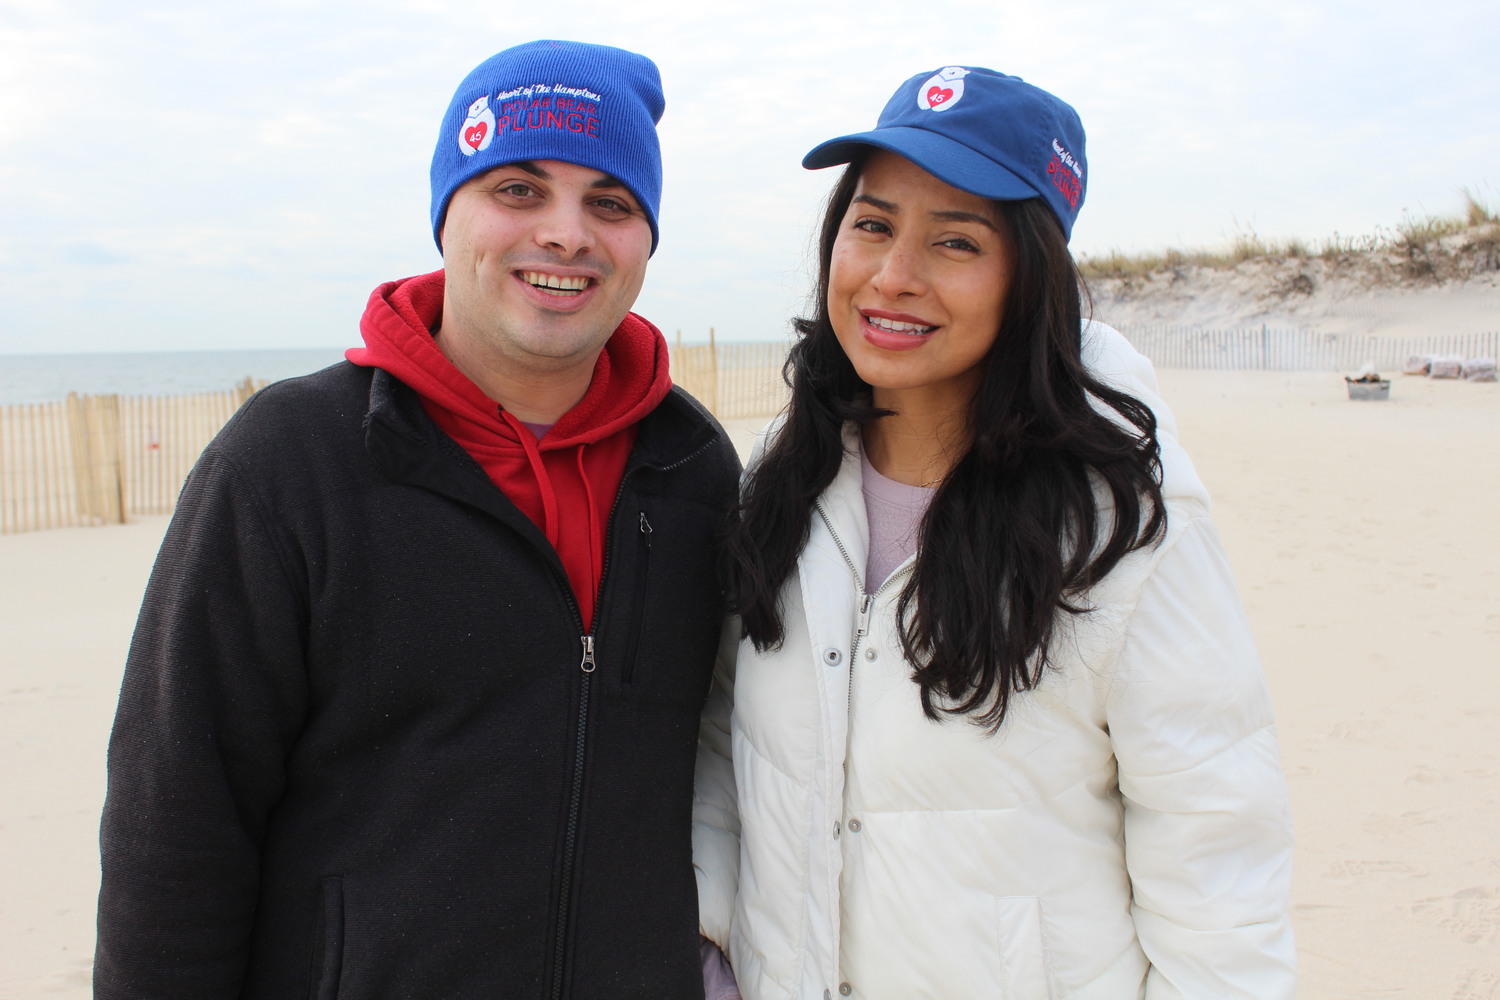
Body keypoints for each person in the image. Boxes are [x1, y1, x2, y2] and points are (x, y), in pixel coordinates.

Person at [95, 40, 741, 999]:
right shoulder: (291, 458)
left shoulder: (692, 468)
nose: (566, 234)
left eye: (610, 202)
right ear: (449, 213)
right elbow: (177, 825)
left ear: (646, 239)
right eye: (518, 189)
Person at [698, 66, 1296, 998]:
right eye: (874, 223)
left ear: (1030, 277)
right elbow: (727, 751)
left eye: (956, 241)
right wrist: (714, 949)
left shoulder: (1117, 524)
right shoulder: (785, 477)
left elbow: (1219, 860)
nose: (894, 275)